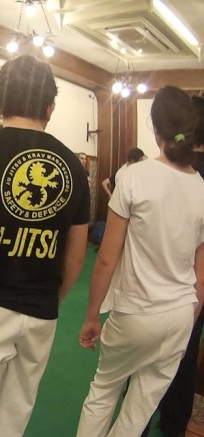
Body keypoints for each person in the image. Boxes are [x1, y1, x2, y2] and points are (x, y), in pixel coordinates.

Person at [0, 55, 90, 437]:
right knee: (12, 418)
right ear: (51, 108)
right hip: (41, 311)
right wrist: (50, 298)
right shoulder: (73, 167)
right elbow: (76, 254)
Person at [77, 86, 204, 437]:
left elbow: (106, 258)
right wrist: (189, 319)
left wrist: (92, 316)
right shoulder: (201, 188)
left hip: (137, 312)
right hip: (181, 314)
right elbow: (201, 273)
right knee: (140, 407)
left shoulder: (135, 175)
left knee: (104, 390)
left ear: (155, 128)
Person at [139, 93, 204, 437]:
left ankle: (141, 424)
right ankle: (174, 426)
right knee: (184, 357)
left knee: (144, 363)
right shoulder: (187, 173)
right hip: (191, 290)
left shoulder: (159, 170)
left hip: (154, 288)